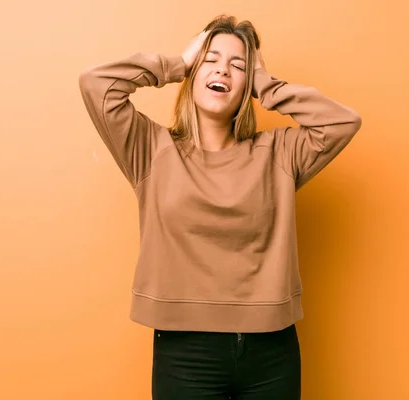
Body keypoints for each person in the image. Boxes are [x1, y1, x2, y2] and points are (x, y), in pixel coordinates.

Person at [79, 14, 361, 400]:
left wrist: (266, 82)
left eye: (238, 65)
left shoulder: (278, 153)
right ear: (194, 72)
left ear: (248, 86)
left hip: (272, 352)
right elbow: (97, 86)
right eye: (210, 60)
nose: (223, 71)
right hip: (185, 353)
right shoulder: (151, 151)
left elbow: (342, 122)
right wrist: (176, 63)